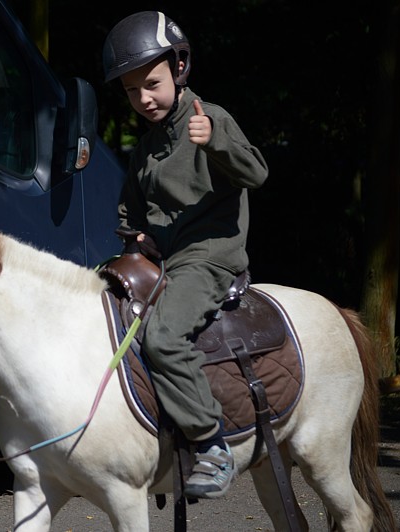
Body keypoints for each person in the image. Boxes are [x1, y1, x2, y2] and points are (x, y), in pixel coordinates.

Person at [102, 12, 269, 499]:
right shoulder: (147, 145)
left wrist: (215, 142)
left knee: (162, 336)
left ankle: (211, 444)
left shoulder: (209, 117)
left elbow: (256, 173)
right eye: (133, 92)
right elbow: (130, 209)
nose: (144, 99)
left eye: (151, 85)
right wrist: (132, 238)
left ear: (178, 68)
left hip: (210, 257)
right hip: (164, 259)